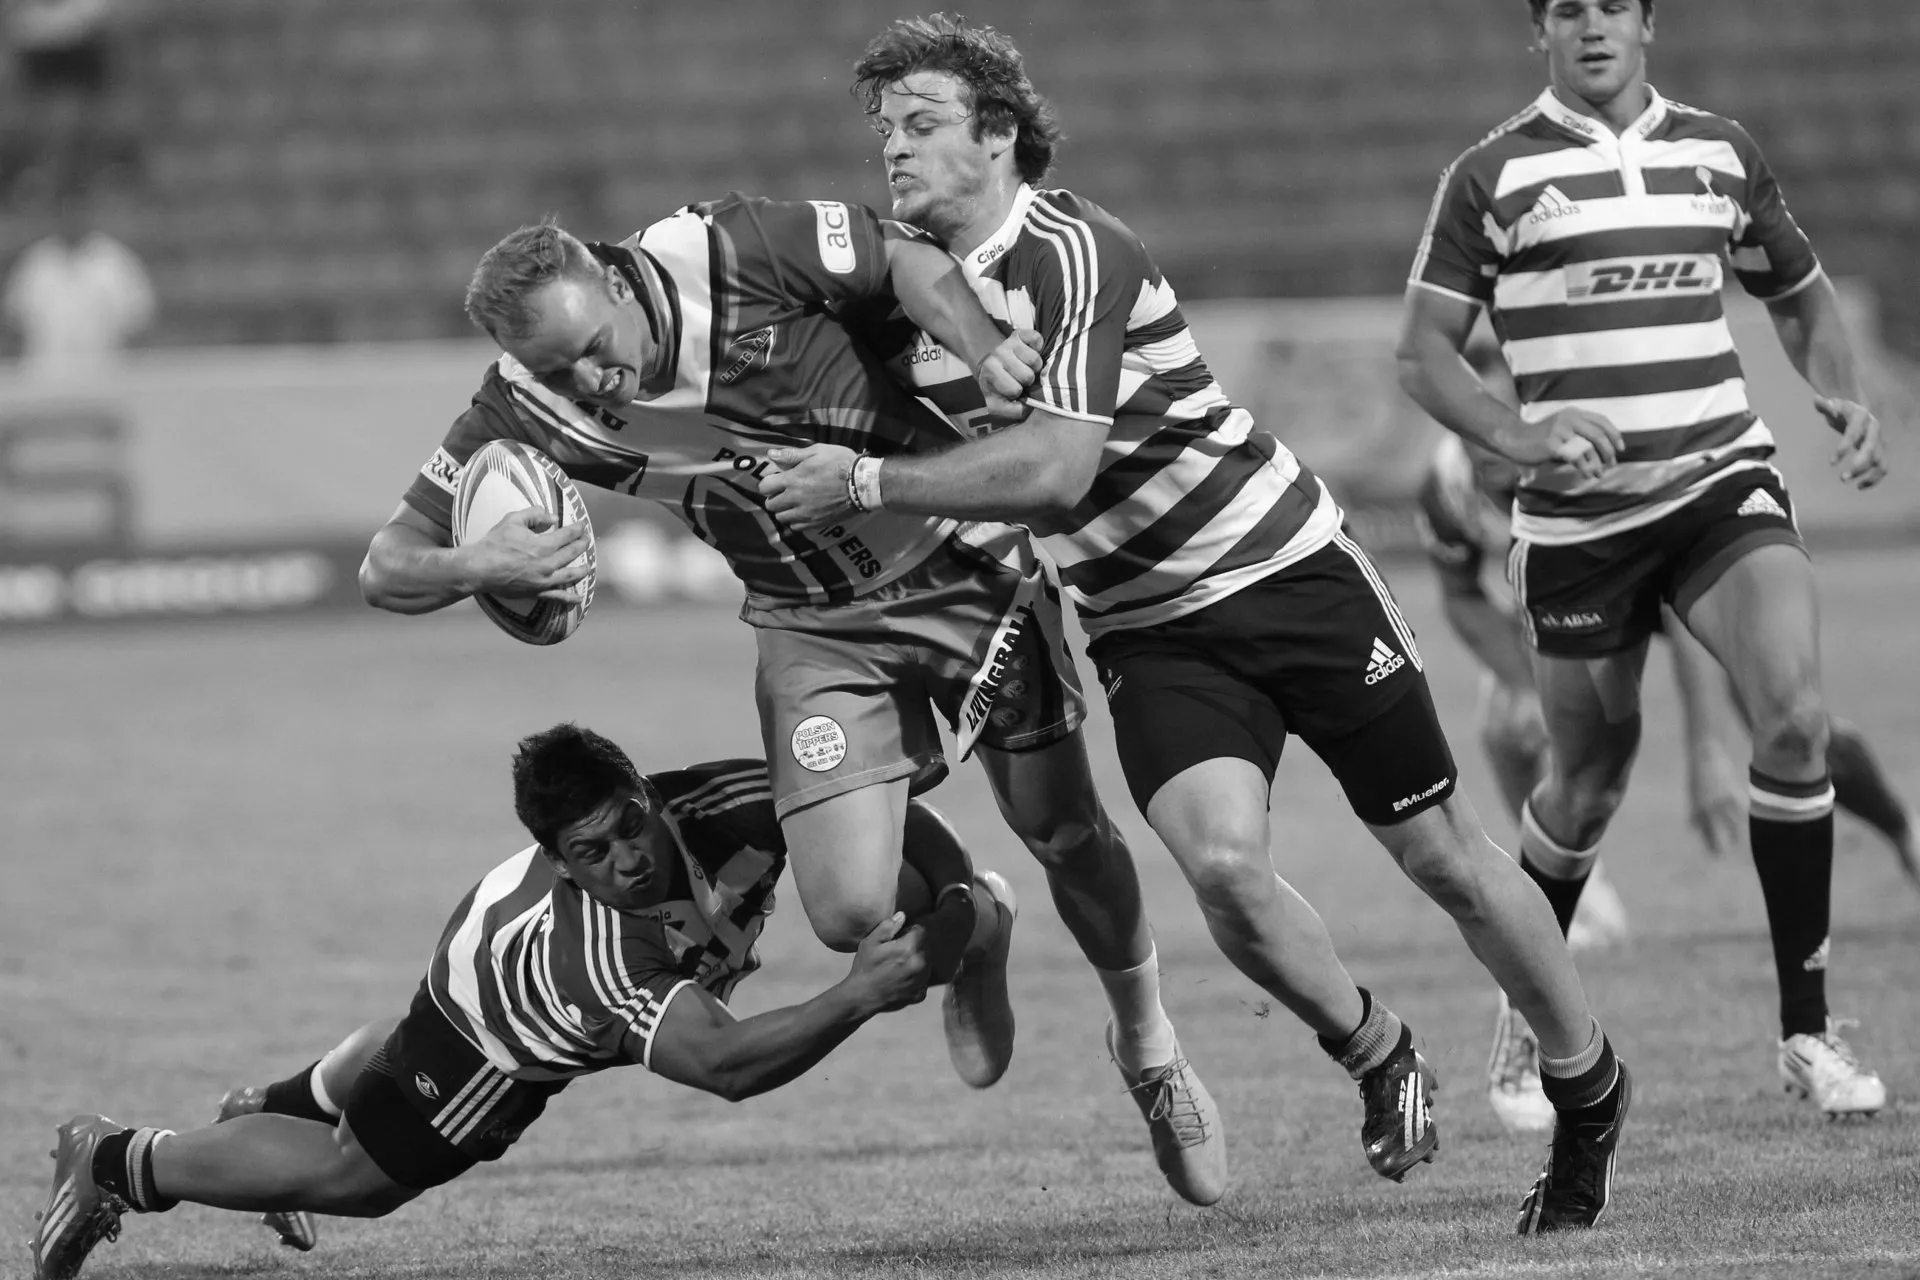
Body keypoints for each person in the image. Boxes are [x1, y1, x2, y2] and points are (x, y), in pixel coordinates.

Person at [760, 14, 1629, 1233]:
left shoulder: (1074, 249)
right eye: (883, 132)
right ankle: (1378, 1048)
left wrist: (861, 486)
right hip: (1146, 625)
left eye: (922, 126)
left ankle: (1588, 1085)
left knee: (1440, 858)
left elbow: (1058, 471)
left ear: (998, 136)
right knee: (1222, 866)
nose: (892, 152)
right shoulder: (902, 293)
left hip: (1285, 572)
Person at [358, 200, 1225, 1203]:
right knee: (854, 910)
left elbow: (898, 255)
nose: (588, 382)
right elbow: (388, 567)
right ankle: (979, 923)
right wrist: (479, 559)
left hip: (957, 562)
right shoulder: (520, 407)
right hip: (810, 625)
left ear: (613, 274)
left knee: (1065, 829)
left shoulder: (722, 250)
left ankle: (1149, 1046)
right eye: (556, 371)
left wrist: (985, 350)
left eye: (594, 348)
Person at [1396, 0, 1888, 1120]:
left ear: (1648, 21)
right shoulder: (1491, 175)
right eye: (1568, 10)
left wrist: (1839, 395)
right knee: (1586, 782)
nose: (1593, 26)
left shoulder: (1720, 152)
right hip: (1579, 525)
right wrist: (1519, 438)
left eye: (1613, 5)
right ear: (1543, 33)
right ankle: (1529, 1020)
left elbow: (1798, 291)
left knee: (1798, 718)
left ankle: (1808, 1031)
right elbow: (1421, 354)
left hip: (1720, 484)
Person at [28, 724, 945, 1278]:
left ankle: (273, 1109)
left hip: (485, 940)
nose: (625, 860)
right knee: (362, 1178)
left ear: (644, 791)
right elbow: (726, 1066)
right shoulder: (600, 954)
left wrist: (952, 891)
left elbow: (861, 805)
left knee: (395, 1060)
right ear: (559, 861)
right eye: (591, 851)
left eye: (629, 825)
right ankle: (115, 1159)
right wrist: (857, 994)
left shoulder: (726, 796)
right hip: (498, 1025)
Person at [1417, 340, 1917, 1133]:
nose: (1491, 442)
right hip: (1570, 588)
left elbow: (1680, 631)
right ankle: (1562, 937)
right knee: (1526, 736)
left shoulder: (1602, 445)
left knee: (1786, 719)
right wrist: (1516, 679)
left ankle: (1899, 832)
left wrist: (1706, 754)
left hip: (1670, 584)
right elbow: (1458, 597)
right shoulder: (1447, 482)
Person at [1, 174, 152, 378]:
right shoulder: (34, 264)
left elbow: (140, 324)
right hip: (44, 382)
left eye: (77, 210)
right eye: (65, 211)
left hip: (106, 382)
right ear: (56, 215)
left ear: (89, 212)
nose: (72, 218)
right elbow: (12, 324)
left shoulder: (117, 263)